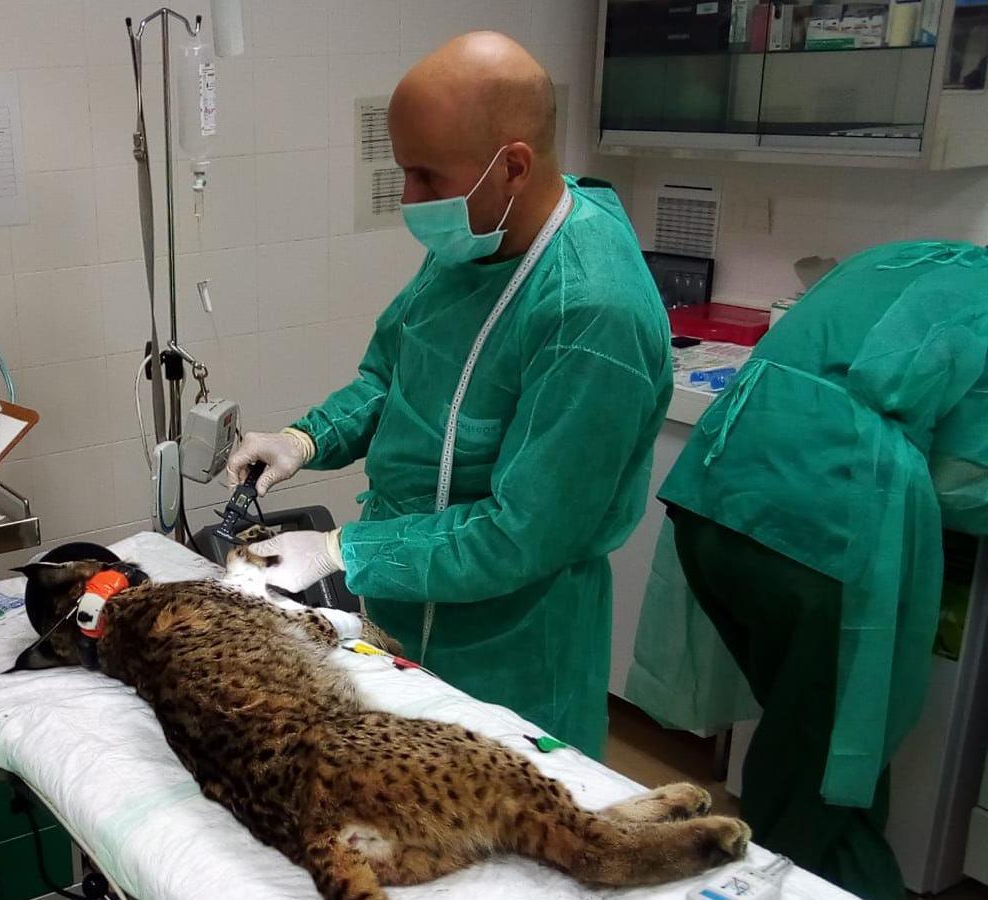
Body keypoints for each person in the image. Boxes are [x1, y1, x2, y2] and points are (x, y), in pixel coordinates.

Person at [228, 32, 671, 757]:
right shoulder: (476, 243)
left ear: (514, 166)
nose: (408, 200)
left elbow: (520, 533)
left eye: (426, 176)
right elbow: (390, 378)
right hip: (406, 616)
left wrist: (342, 548)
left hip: (515, 650)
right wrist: (303, 440)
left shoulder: (593, 313)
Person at [629, 240, 988, 899]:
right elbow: (969, 483)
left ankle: (830, 870)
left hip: (716, 497)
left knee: (810, 733)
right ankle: (782, 882)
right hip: (821, 534)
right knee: (818, 760)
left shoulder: (908, 257)